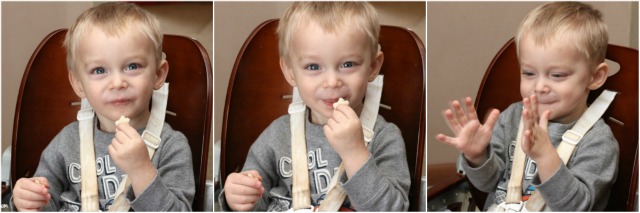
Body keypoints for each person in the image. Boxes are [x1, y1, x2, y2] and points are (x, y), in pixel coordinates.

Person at [219, 2, 410, 211]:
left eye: (348, 64)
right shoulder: (277, 135)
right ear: (290, 71)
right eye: (313, 67)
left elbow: (393, 209)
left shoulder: (383, 137)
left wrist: (355, 153)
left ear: (373, 66)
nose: (331, 82)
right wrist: (238, 198)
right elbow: (255, 202)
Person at [11, 2, 194, 211]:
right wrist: (29, 199)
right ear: (79, 84)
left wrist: (141, 170)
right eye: (99, 70)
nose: (117, 83)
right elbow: (46, 200)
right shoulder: (67, 142)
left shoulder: (172, 146)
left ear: (158, 75)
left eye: (132, 66)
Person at [436, 2, 618, 211]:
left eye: (557, 75)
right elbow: (487, 184)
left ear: (595, 77)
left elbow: (575, 207)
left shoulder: (599, 143)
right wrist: (477, 157)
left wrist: (546, 157)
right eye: (529, 73)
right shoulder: (513, 117)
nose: (539, 87)